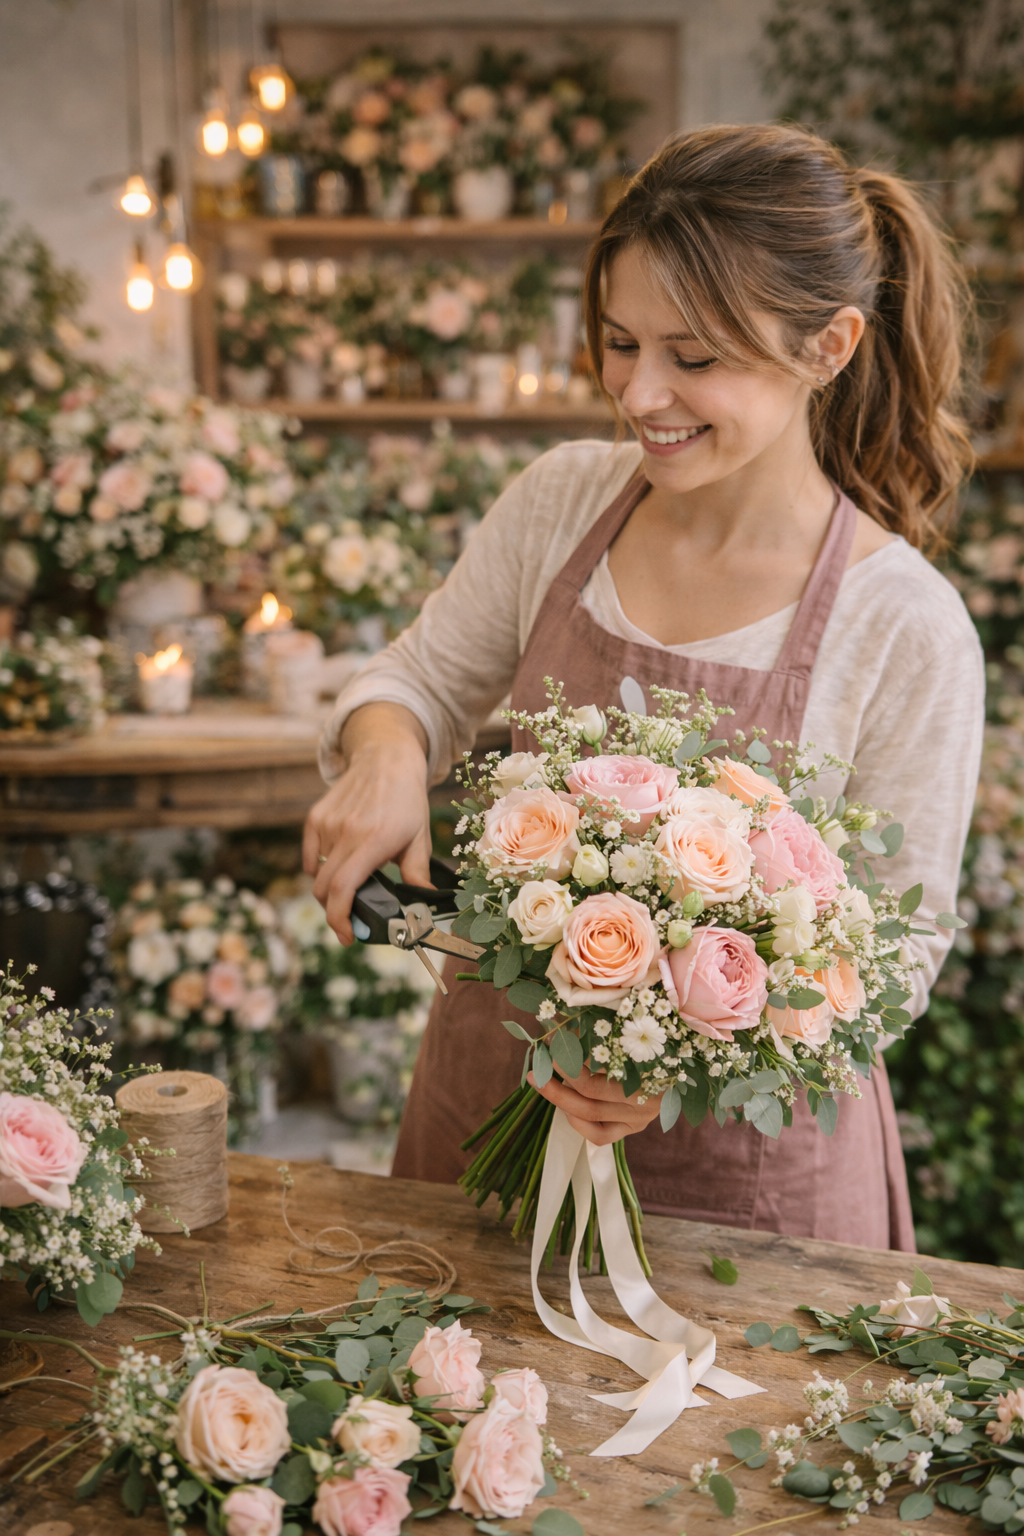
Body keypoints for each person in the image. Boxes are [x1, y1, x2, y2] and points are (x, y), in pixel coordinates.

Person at [305, 123, 984, 1251]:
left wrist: (682, 1063)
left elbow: (894, 964)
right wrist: (386, 758)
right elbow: (415, 680)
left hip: (750, 1192)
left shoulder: (904, 624)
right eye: (620, 342)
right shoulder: (564, 501)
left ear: (828, 346)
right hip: (494, 1113)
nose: (638, 389)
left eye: (695, 357)